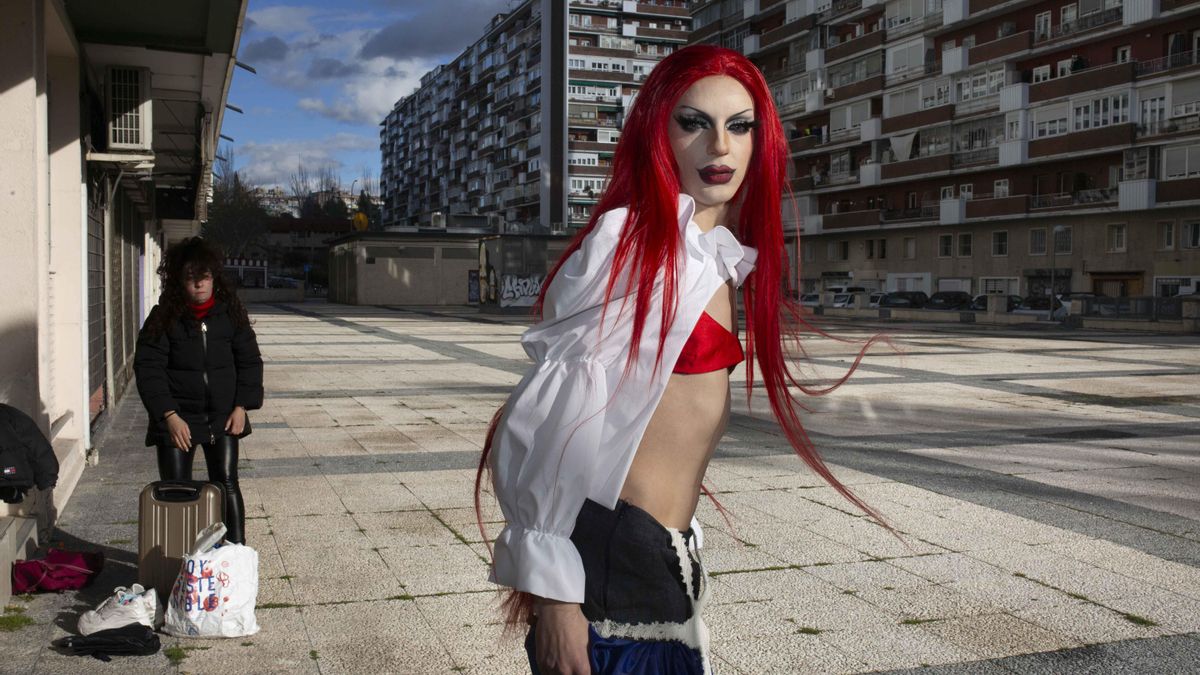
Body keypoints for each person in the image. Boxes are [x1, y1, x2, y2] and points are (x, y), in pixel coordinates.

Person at [476, 45, 886, 675]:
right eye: (694, 122)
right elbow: (544, 420)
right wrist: (555, 599)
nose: (719, 145)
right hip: (607, 577)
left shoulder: (711, 254)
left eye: (739, 125)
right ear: (657, 135)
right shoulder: (635, 244)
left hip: (658, 565)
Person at [134, 237, 263, 544]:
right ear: (179, 281)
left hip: (223, 416)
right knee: (176, 489)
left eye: (204, 277)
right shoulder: (163, 317)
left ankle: (236, 554)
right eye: (191, 278)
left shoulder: (231, 314)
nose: (199, 285)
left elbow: (249, 361)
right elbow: (148, 368)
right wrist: (168, 415)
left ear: (214, 277)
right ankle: (178, 561)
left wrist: (241, 406)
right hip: (177, 419)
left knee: (227, 482)